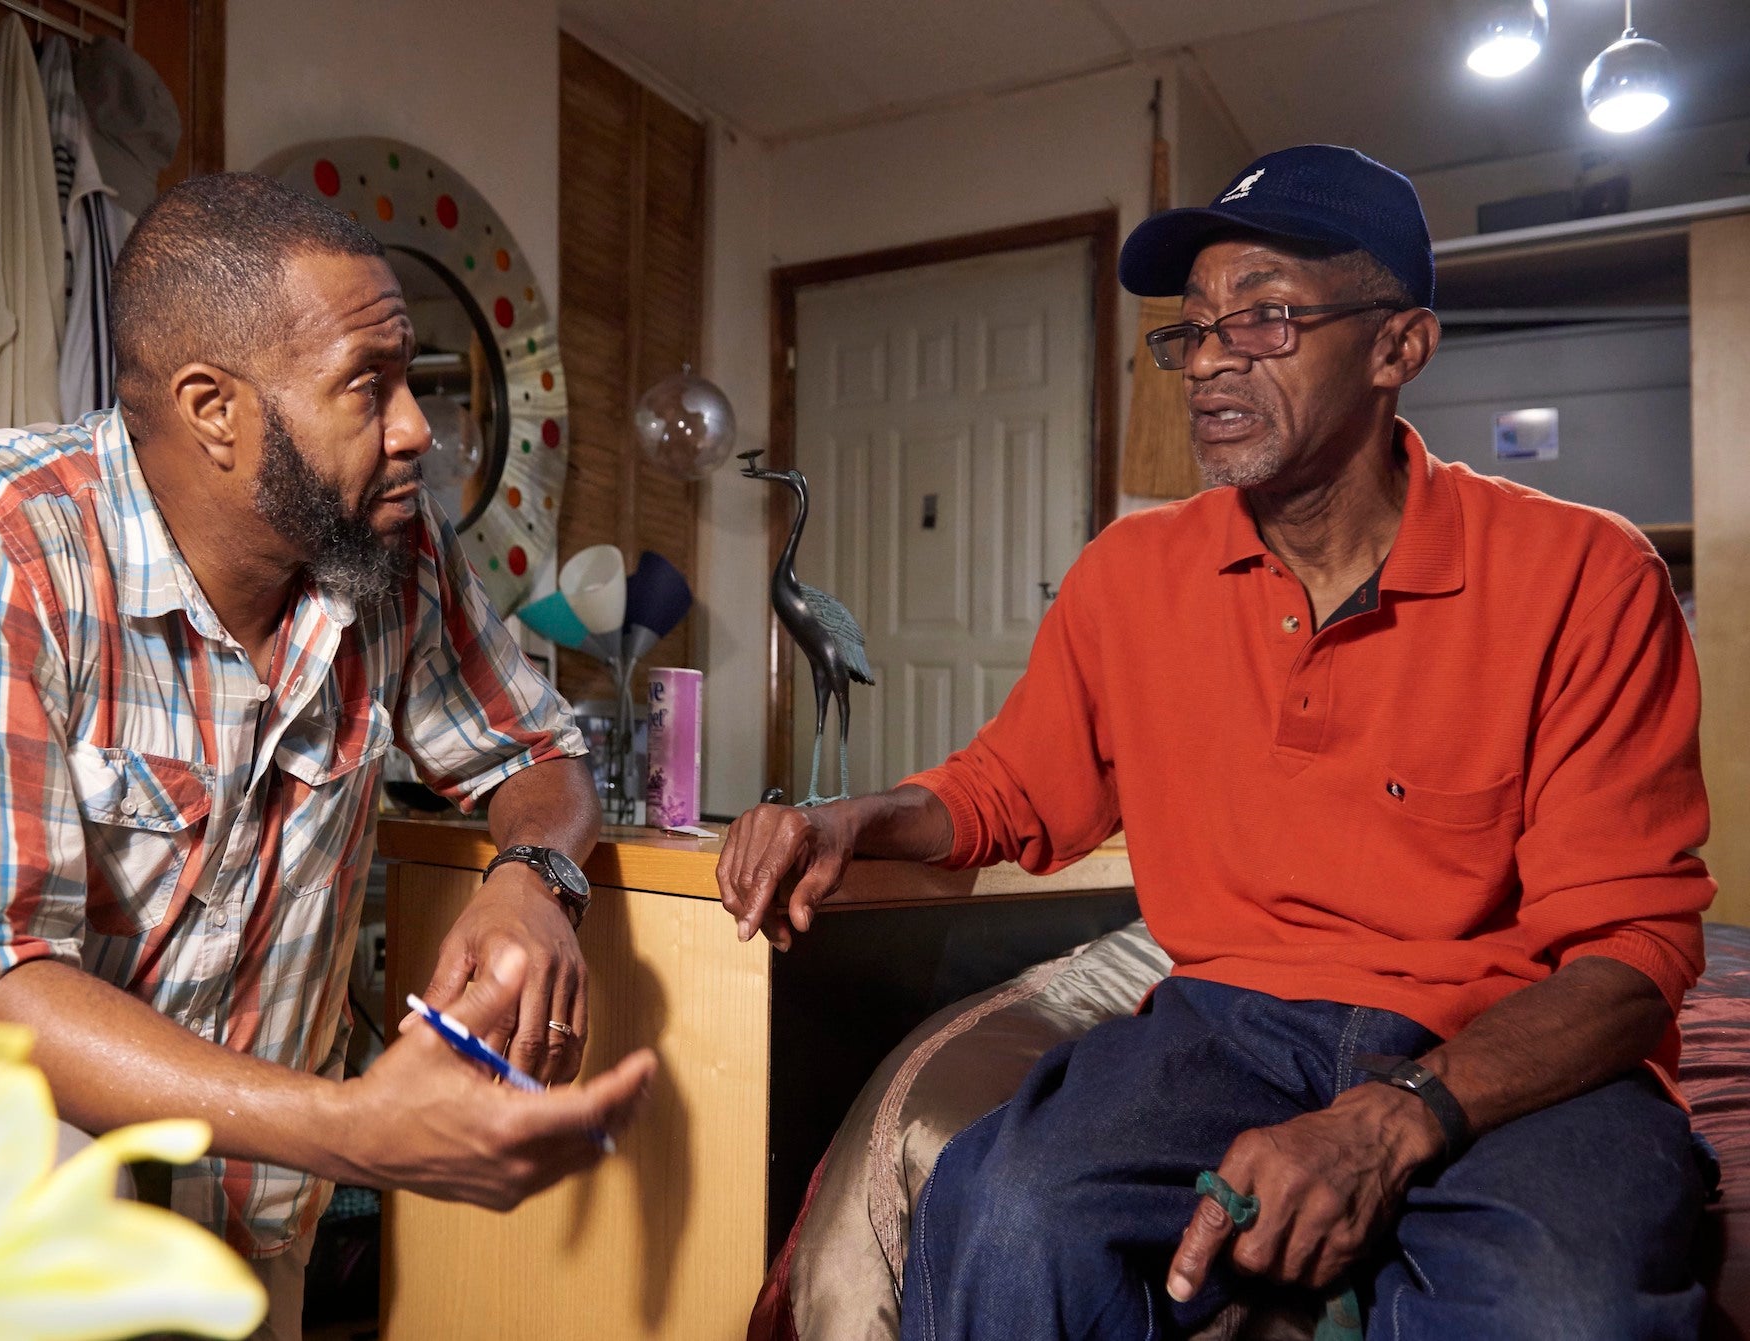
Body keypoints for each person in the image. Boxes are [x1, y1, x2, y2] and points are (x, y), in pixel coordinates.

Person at [718, 144, 1712, 1340]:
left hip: (1502, 1045)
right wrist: (852, 819)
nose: (1210, 361)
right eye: (1190, 331)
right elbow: (1009, 787)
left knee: (1562, 1308)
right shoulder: (1129, 576)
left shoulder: (1584, 575)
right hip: (1229, 1021)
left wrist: (1395, 1117)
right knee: (1002, 1209)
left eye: (1268, 317)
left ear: (1397, 347)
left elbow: (1629, 951)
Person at [0, 173, 655, 1341]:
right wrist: (352, 1124)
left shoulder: (392, 556)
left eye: (411, 380)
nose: (415, 428)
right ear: (215, 410)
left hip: (246, 1213)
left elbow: (538, 753)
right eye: (370, 386)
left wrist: (533, 883)